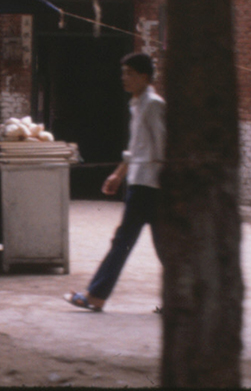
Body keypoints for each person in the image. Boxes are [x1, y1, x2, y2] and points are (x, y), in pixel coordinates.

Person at [65, 52, 166, 312]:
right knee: (164, 247)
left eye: (129, 73)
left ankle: (96, 295)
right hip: (142, 184)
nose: (124, 78)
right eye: (123, 73)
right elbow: (136, 148)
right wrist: (118, 175)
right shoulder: (138, 104)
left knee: (123, 243)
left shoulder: (153, 105)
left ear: (144, 76)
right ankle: (185, 298)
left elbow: (163, 148)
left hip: (148, 187)